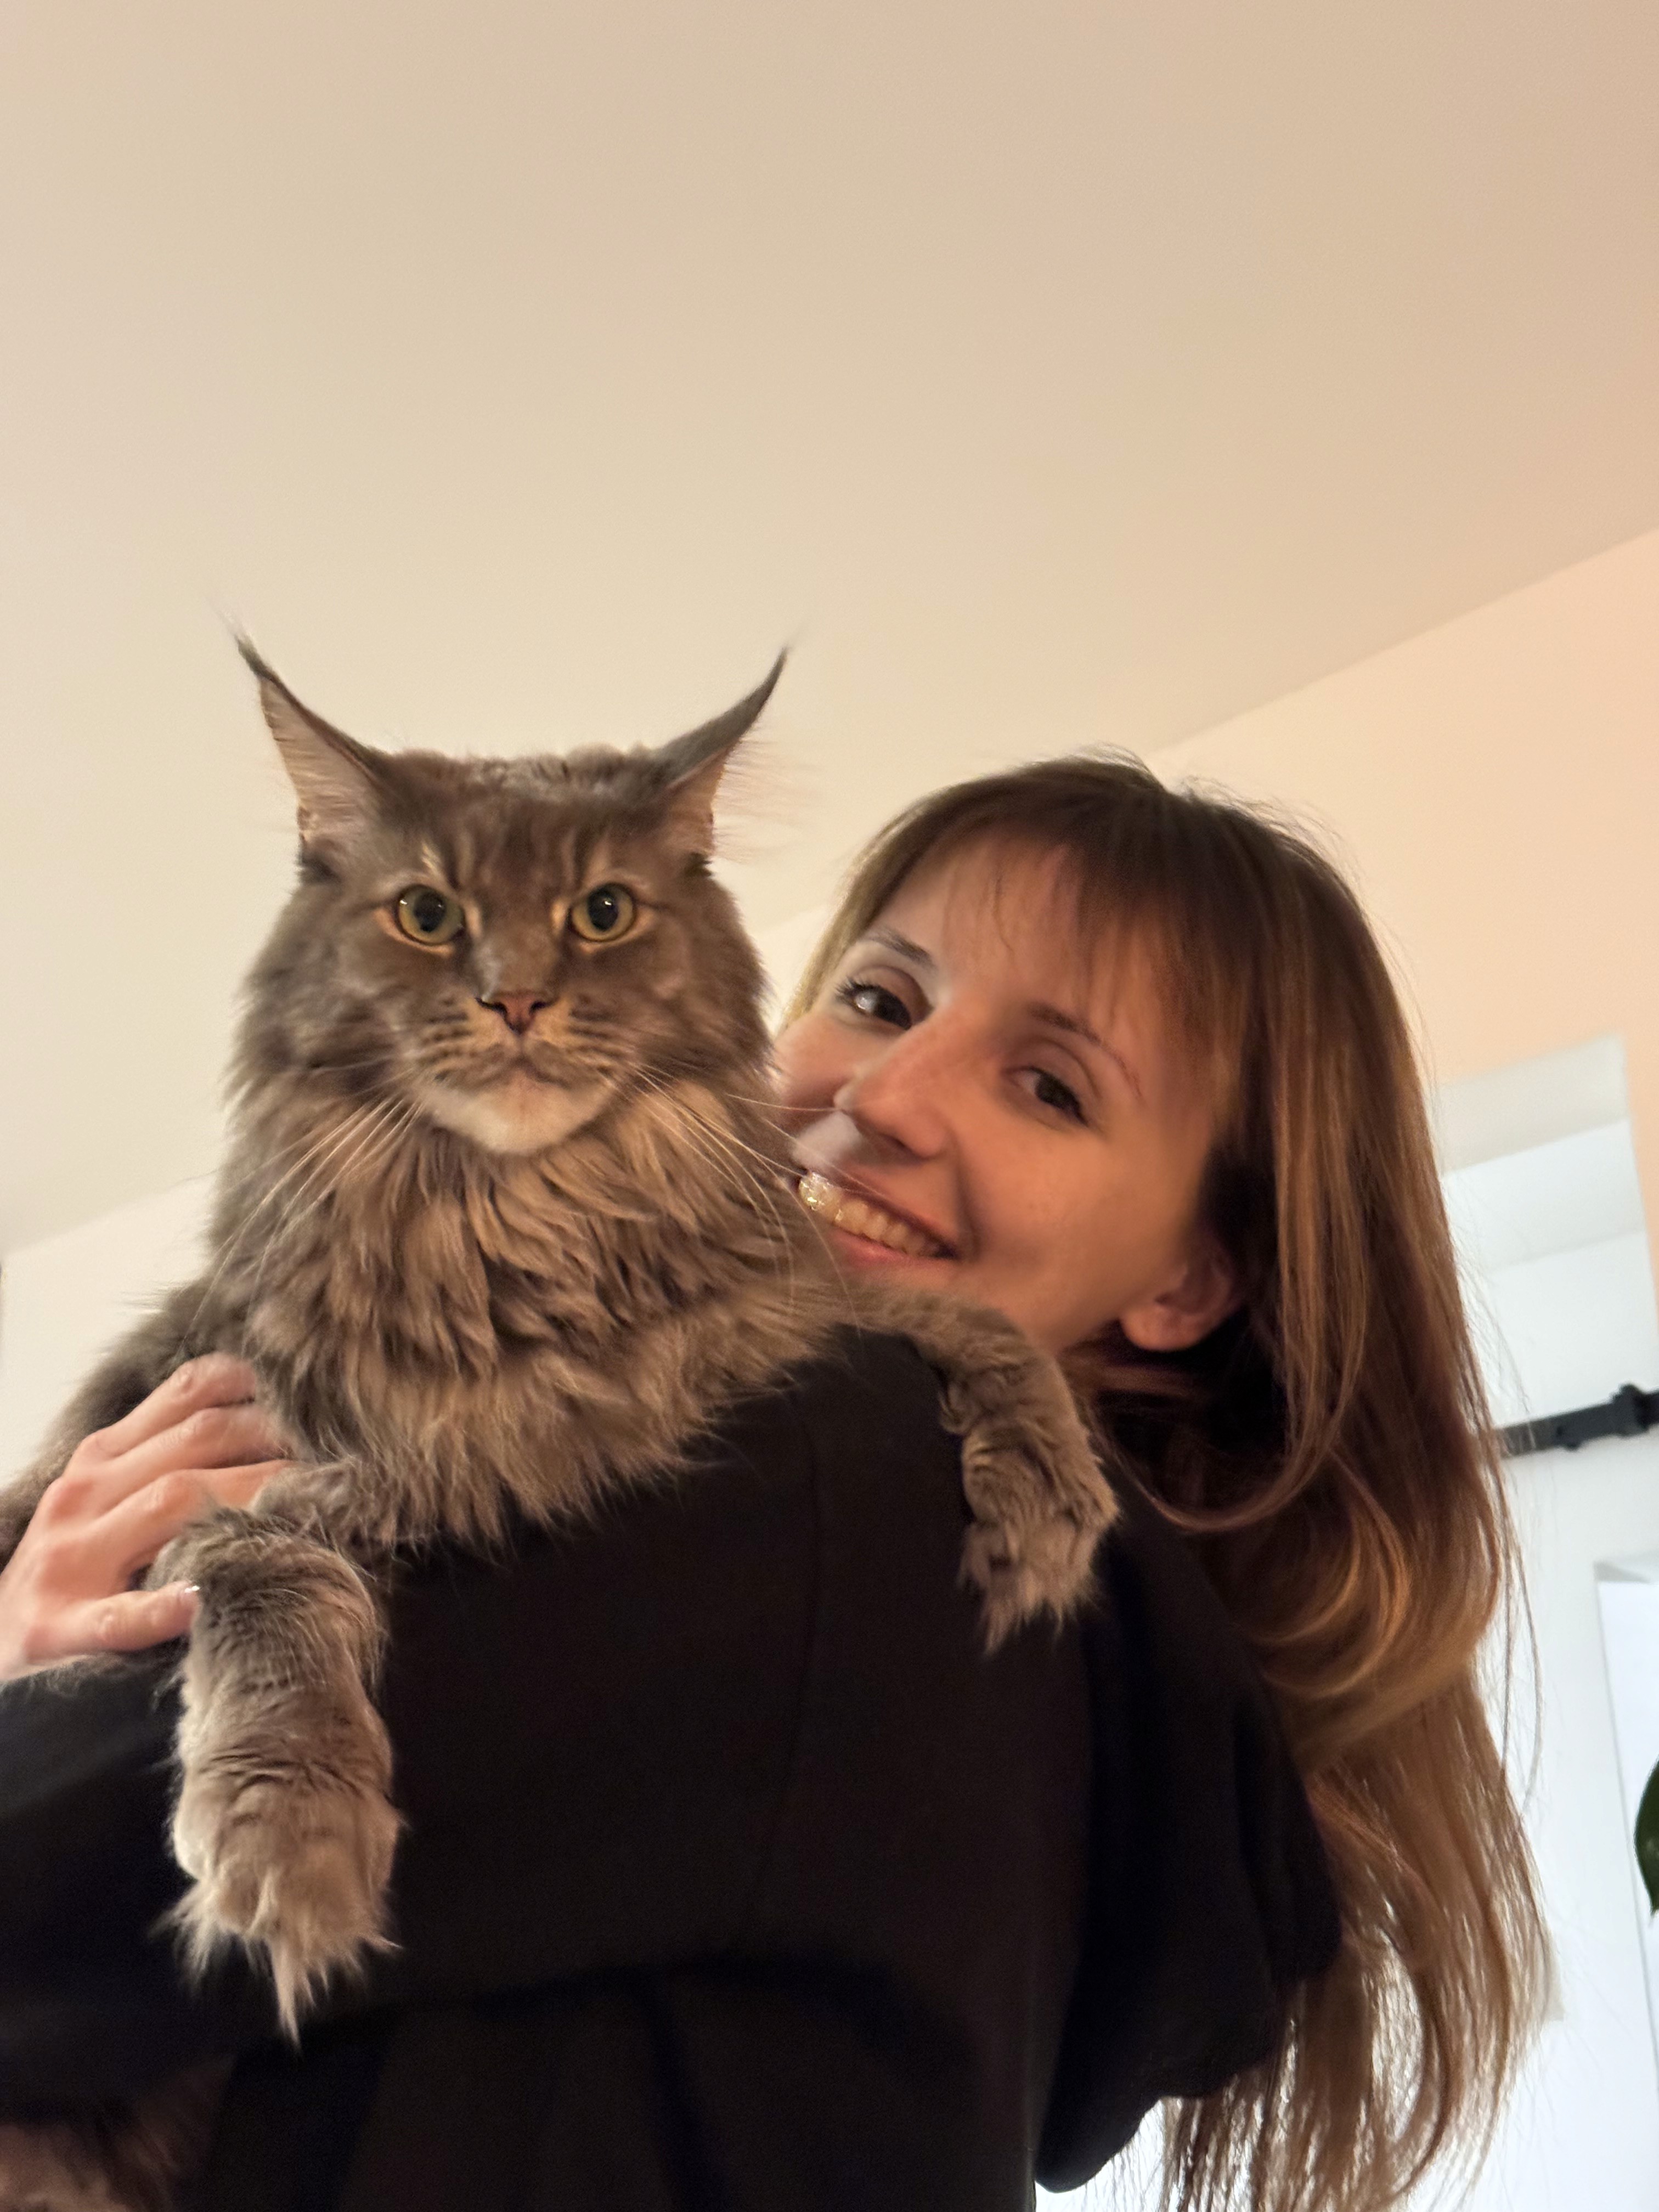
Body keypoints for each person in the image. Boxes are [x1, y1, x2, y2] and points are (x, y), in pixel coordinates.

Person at [0, 754, 1543, 2211]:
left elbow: (59, 1900)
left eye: (1051, 1088)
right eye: (879, 997)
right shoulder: (1048, 1683)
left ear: (1190, 1285)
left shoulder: (869, 1470)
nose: (884, 1094)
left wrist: (26, 1671)